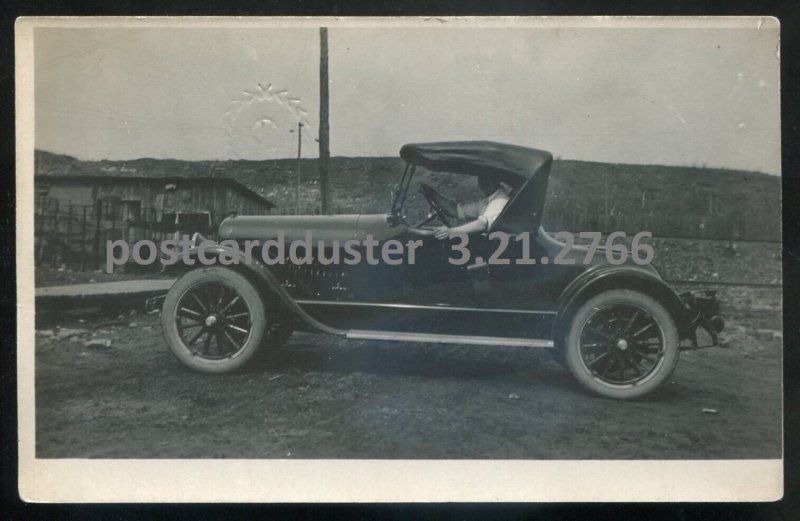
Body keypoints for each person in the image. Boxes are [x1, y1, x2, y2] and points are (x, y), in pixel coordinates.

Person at [419, 174, 511, 240]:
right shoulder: (488, 200)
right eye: (481, 179)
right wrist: (432, 193)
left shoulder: (500, 201)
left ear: (495, 181)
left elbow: (482, 224)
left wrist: (451, 232)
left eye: (485, 178)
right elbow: (454, 210)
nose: (481, 182)